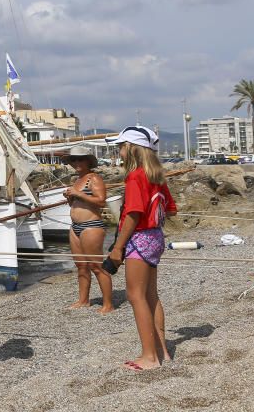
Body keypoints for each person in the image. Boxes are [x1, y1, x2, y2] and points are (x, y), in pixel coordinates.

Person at [105, 126, 178, 371]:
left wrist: (118, 247)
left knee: (135, 296)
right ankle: (161, 351)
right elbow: (170, 208)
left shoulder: (135, 176)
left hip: (140, 239)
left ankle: (149, 357)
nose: (119, 151)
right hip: (156, 237)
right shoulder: (156, 176)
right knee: (151, 296)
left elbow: (133, 214)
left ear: (131, 148)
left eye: (121, 146)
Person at [62, 145, 114, 313]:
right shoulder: (77, 180)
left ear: (88, 161)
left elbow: (101, 201)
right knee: (81, 266)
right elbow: (78, 203)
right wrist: (70, 198)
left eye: (80, 159)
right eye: (73, 160)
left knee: (96, 266)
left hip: (91, 226)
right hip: (75, 226)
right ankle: (83, 300)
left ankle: (108, 304)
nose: (77, 162)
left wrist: (80, 194)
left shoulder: (94, 178)